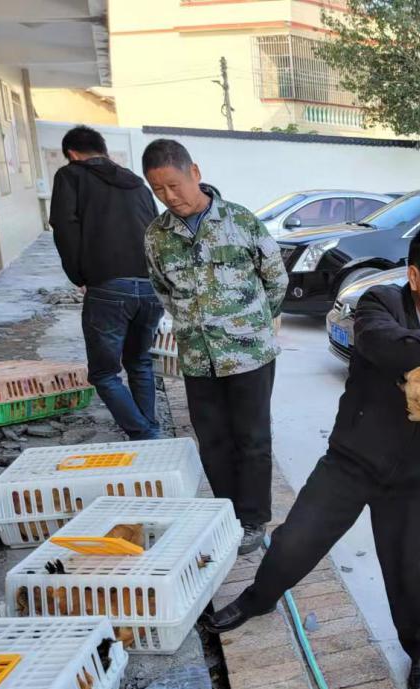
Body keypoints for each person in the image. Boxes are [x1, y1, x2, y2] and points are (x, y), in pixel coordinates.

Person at [201, 226, 420, 689]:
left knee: (412, 570)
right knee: (296, 540)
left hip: (408, 476)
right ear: (415, 275)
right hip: (351, 459)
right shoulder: (382, 303)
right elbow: (381, 344)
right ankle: (258, 598)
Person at [141, 138, 287, 556]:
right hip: (197, 356)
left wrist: (251, 322)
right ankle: (227, 513)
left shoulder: (240, 222)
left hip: (248, 354)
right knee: (213, 438)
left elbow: (275, 280)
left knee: (253, 438)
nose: (169, 197)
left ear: (195, 173)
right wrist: (195, 325)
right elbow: (162, 289)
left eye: (174, 185)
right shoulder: (157, 236)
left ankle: (254, 519)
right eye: (158, 190)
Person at [49, 125, 163, 440]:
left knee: (103, 373)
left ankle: (145, 434)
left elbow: (64, 228)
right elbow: (156, 231)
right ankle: (149, 430)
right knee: (139, 362)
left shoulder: (70, 176)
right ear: (104, 151)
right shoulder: (136, 183)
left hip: (110, 287)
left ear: (72, 154)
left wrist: (79, 275)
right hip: (151, 286)